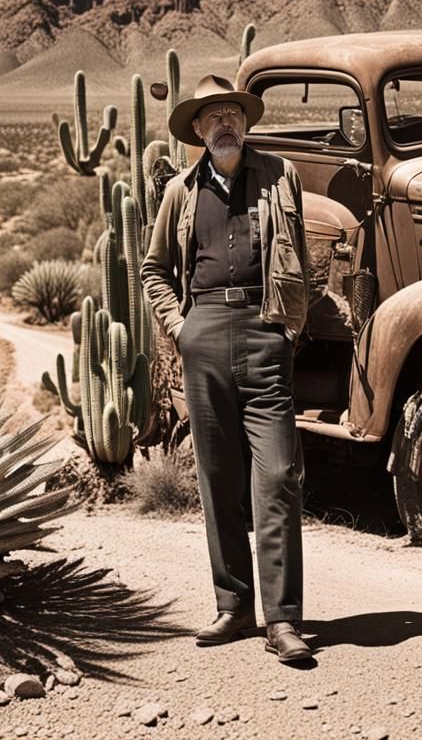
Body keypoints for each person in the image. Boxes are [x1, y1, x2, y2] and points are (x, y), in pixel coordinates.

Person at [141, 74, 312, 663]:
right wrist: (180, 327)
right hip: (204, 332)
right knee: (217, 480)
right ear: (196, 129)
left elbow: (299, 255)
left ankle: (283, 619)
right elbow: (153, 269)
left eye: (231, 113)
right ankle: (234, 607)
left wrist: (288, 327)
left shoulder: (279, 176)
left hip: (265, 333)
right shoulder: (179, 193)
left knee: (278, 476)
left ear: (245, 121)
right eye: (211, 116)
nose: (223, 124)